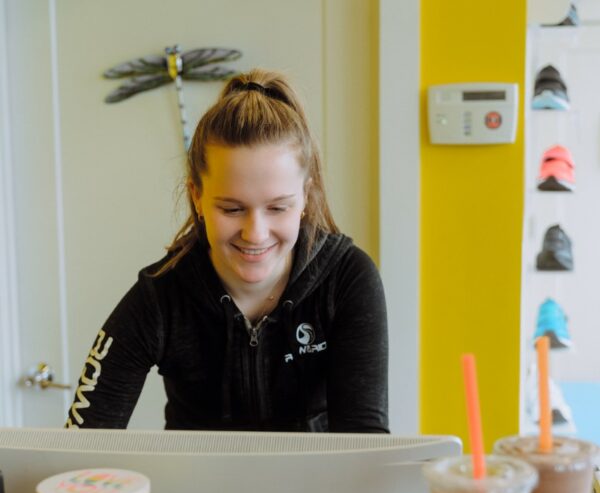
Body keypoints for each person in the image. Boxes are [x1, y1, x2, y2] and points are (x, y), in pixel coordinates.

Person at [66, 68, 389, 433]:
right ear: (197, 198)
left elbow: (366, 447)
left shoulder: (347, 280)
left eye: (278, 207)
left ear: (305, 197)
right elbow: (84, 440)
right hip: (193, 490)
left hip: (319, 490)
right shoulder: (160, 297)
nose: (255, 234)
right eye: (232, 209)